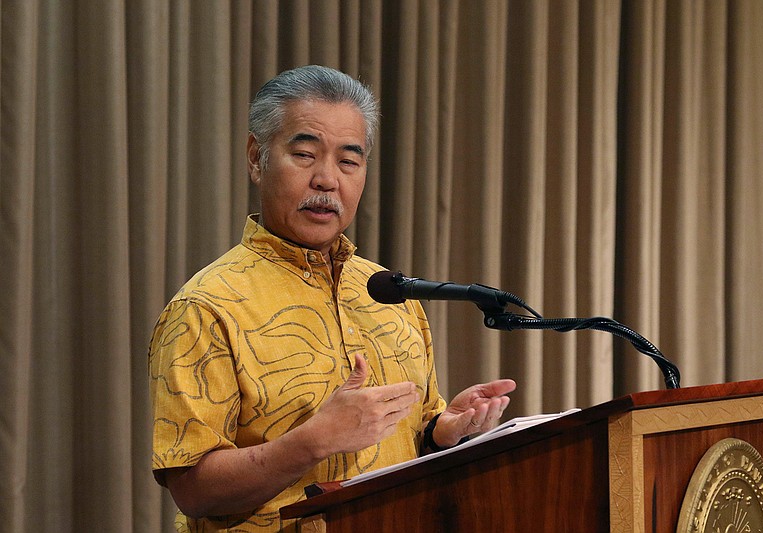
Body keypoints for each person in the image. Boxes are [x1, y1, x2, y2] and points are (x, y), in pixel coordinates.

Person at [148, 65, 516, 532]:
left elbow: (415, 435)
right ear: (256, 158)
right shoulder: (204, 308)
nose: (326, 180)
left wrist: (443, 433)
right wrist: (312, 441)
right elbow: (193, 489)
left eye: (348, 161)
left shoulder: (388, 292)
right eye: (304, 154)